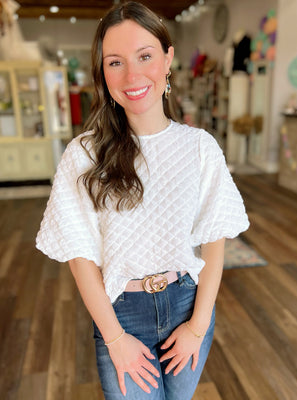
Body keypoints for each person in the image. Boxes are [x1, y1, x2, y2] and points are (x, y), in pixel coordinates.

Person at [36, 2, 249, 399]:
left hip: (188, 302)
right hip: (120, 312)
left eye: (145, 56)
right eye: (115, 62)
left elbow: (215, 243)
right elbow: (79, 256)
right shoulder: (83, 154)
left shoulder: (199, 147)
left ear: (168, 59)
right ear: (102, 70)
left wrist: (197, 326)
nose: (132, 75)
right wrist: (115, 339)